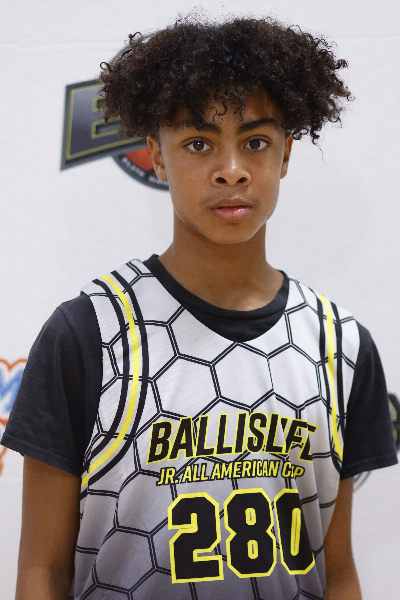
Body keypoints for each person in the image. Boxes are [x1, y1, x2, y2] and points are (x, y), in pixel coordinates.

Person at [2, 15, 397, 600]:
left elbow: (336, 571)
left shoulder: (341, 345)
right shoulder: (87, 332)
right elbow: (41, 570)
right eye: (198, 143)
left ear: (285, 154)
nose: (231, 169)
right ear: (157, 157)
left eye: (255, 142)